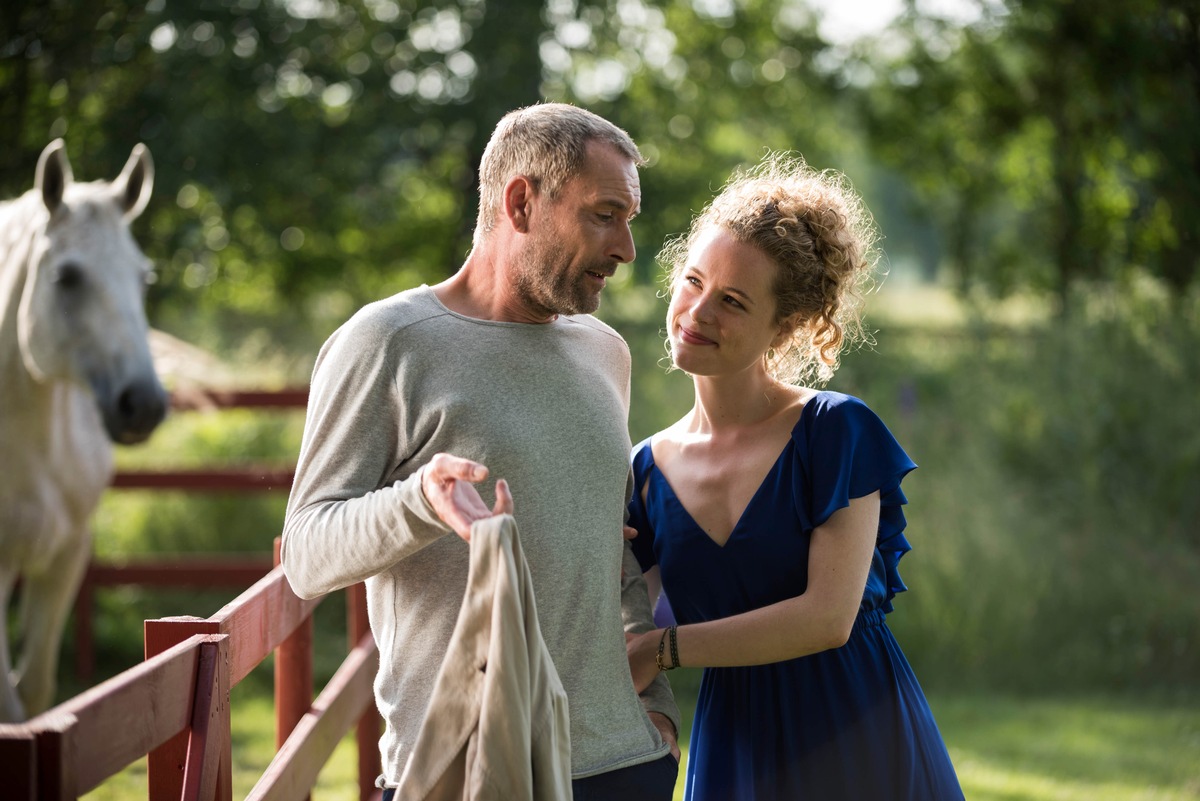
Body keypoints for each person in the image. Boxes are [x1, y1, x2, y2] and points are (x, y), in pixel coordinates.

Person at [281, 103, 680, 800]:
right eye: (604, 215)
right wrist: (420, 502)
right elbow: (309, 555)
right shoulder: (387, 341)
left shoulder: (604, 353)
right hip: (465, 770)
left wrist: (657, 717)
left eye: (629, 220)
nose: (625, 249)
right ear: (522, 200)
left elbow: (613, 546)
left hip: (625, 760)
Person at [624, 153, 964, 800]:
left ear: (785, 326)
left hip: (856, 725)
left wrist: (661, 648)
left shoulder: (834, 430)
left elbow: (827, 617)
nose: (696, 312)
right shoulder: (645, 469)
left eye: (732, 301)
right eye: (692, 281)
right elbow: (606, 604)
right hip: (736, 743)